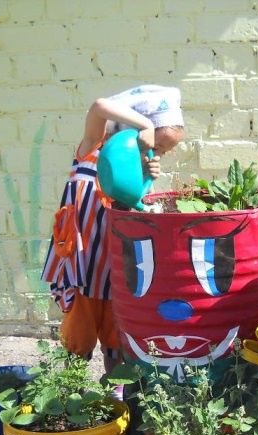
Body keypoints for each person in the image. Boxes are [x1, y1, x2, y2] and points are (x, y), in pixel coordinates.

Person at [41, 85, 184, 373]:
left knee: (116, 344)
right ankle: (73, 403)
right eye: (158, 145)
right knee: (77, 345)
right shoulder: (92, 148)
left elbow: (136, 210)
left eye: (164, 151)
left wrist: (145, 179)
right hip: (82, 268)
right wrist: (144, 122)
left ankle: (117, 401)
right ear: (137, 130)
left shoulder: (136, 169)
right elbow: (98, 105)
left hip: (115, 272)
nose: (160, 154)